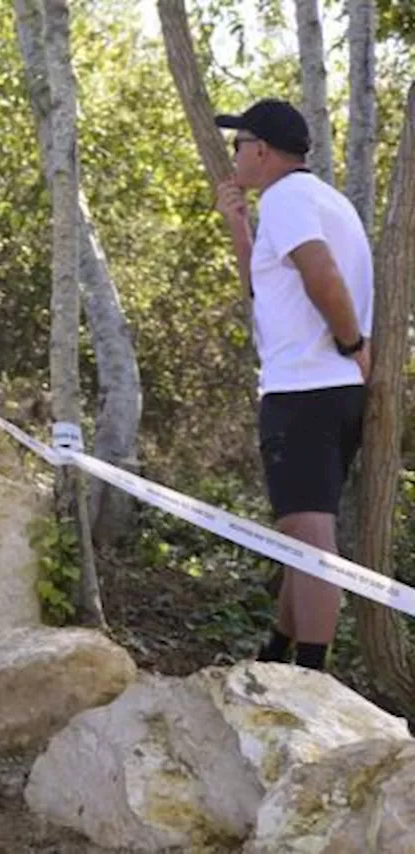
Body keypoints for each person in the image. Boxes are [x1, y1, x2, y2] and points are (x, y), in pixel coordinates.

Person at [214, 99, 373, 671]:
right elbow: (268, 294)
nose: (234, 156)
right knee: (300, 534)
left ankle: (309, 682)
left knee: (307, 543)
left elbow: (319, 271)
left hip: (304, 392)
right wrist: (238, 225)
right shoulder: (325, 201)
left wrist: (354, 343)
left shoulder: (285, 199)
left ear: (261, 151)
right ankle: (277, 655)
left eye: (238, 145)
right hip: (331, 391)